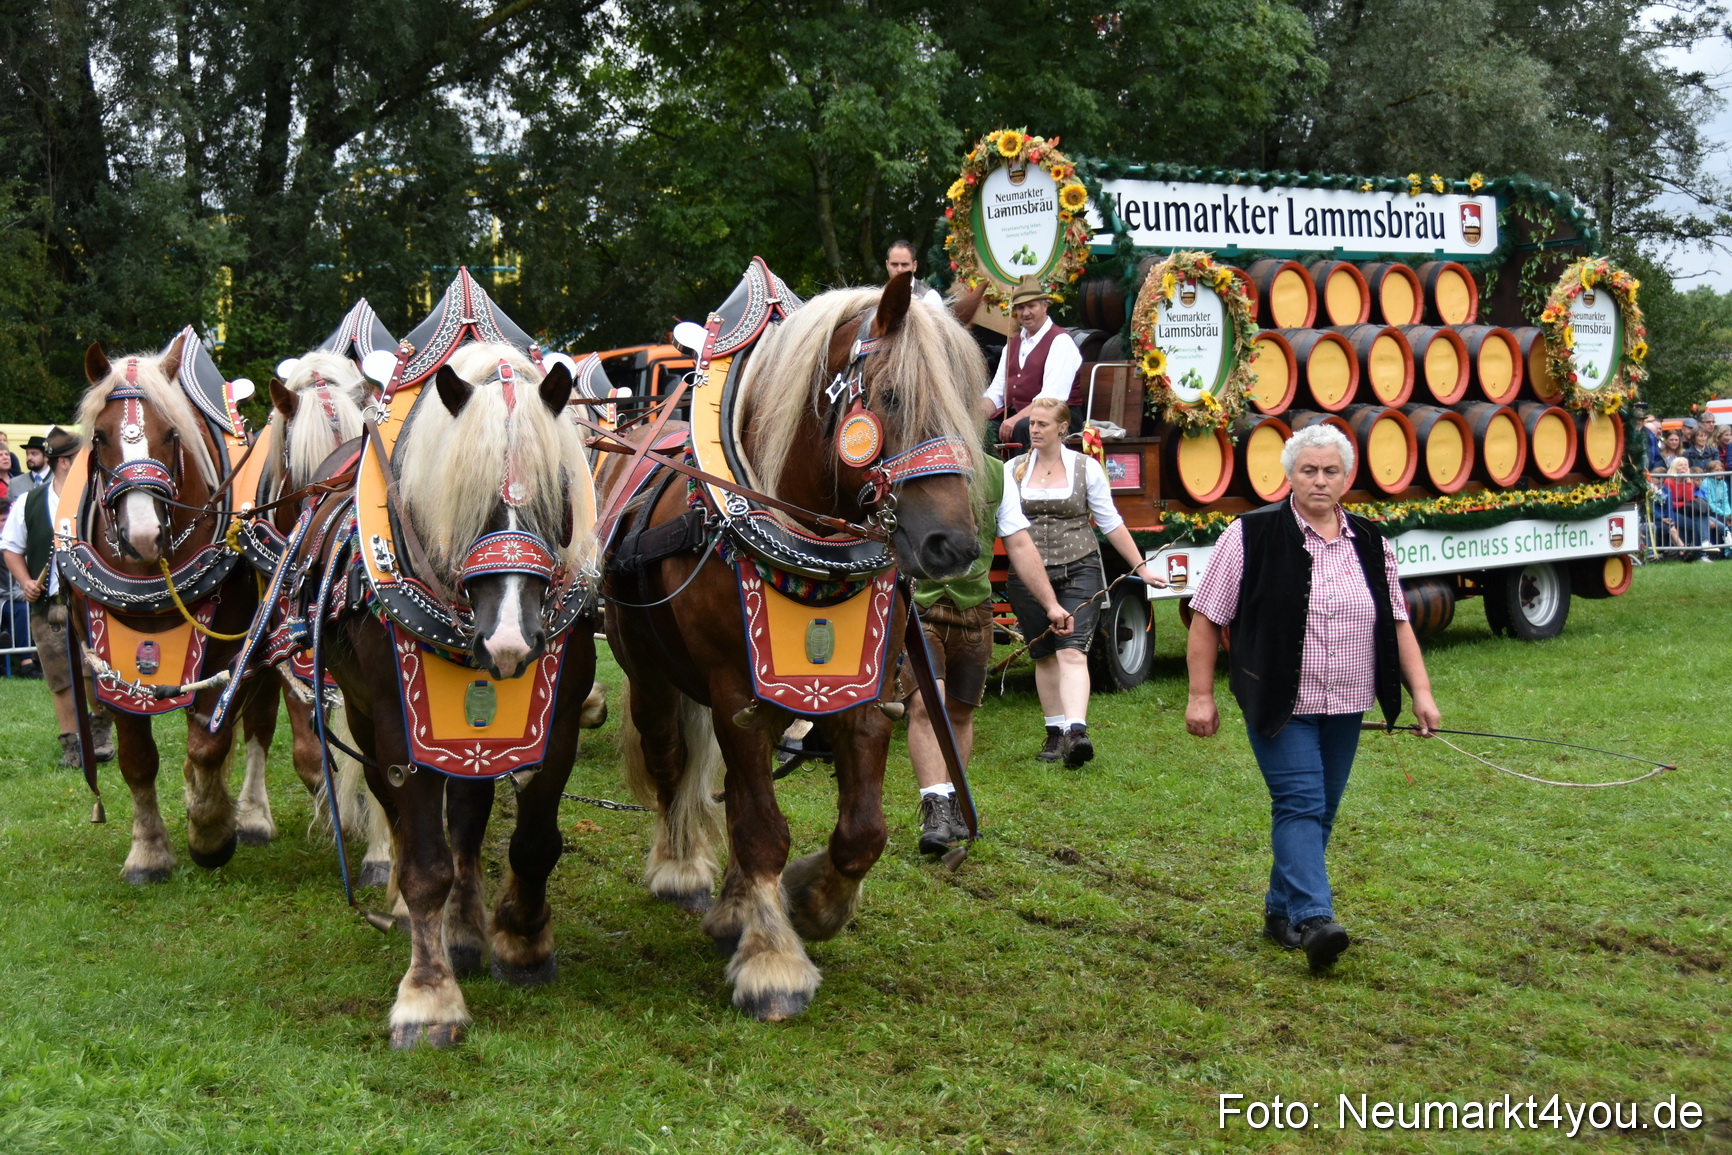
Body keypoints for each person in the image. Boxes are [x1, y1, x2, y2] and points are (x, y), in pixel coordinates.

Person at [1184, 424, 1441, 973]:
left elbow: (1397, 622)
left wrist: (1420, 692)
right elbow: (1206, 618)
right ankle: (1315, 920)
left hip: (1347, 700)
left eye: (1330, 471)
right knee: (1299, 802)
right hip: (1279, 700)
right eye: (1308, 470)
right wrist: (1200, 695)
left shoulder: (1370, 540)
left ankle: (1280, 912)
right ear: (1289, 475)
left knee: (1320, 810)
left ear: (1346, 477)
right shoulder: (1249, 535)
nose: (1319, 481)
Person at [902, 451, 1075, 854]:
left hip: (973, 609)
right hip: (918, 605)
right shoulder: (912, 464)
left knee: (961, 710)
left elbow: (1019, 543)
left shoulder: (997, 473)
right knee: (927, 704)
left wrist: (1050, 604)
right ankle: (935, 809)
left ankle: (956, 802)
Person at [998, 396, 1166, 766]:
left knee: (1072, 651)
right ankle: (1055, 732)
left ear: (1062, 428)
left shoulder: (1085, 467)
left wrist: (1141, 568)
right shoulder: (1012, 470)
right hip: (1028, 576)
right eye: (1032, 423)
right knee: (1043, 655)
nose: (1034, 429)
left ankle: (1076, 732)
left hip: (1079, 567)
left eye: (1042, 424)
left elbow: (1110, 522)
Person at [0, 427, 114, 765]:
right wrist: (25, 581)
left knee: (95, 672)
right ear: (65, 462)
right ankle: (72, 745)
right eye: (81, 456)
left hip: (92, 603)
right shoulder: (29, 502)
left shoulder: (97, 497)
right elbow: (10, 547)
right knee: (59, 678)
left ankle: (100, 730)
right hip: (49, 607)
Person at [979, 276, 1084, 448]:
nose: (1025, 313)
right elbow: (996, 392)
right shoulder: (1012, 345)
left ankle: (1026, 467)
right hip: (1022, 416)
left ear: (1045, 306)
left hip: (1060, 416)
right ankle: (995, 468)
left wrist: (1014, 419)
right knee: (982, 430)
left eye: (1031, 306)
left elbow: (1051, 398)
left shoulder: (1060, 341)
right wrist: (974, 416)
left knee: (1025, 427)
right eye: (1020, 307)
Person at [884, 240, 944, 309]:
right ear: (887, 265)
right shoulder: (878, 297)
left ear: (914, 266)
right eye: (894, 264)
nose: (899, 270)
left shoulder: (930, 298)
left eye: (904, 264)